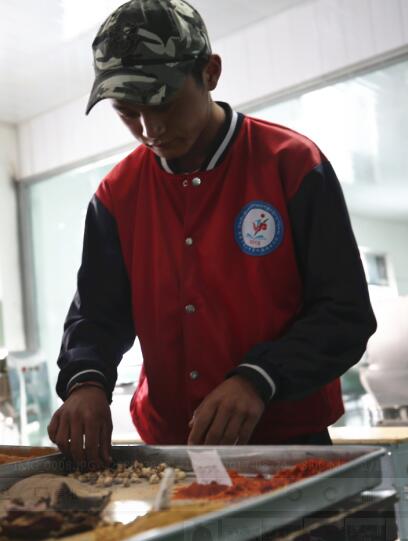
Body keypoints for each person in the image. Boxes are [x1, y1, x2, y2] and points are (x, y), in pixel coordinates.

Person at [48, 0, 376, 467]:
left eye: (163, 101)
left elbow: (344, 313)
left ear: (210, 72)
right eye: (127, 111)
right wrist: (86, 382)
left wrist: (260, 376)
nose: (149, 128)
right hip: (172, 450)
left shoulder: (292, 165)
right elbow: (97, 314)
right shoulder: (116, 195)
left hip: (288, 442)